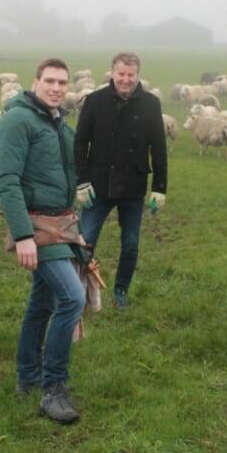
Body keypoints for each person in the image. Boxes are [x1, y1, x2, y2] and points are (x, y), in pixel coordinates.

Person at [0, 57, 87, 424]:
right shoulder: (18, 120)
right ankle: (53, 387)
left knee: (42, 301)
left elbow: (71, 166)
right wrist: (22, 236)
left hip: (60, 222)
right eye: (50, 81)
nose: (57, 88)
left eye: (62, 83)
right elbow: (6, 180)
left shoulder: (58, 122)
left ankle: (27, 375)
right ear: (35, 82)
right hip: (37, 226)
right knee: (72, 298)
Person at [73, 52, 168, 309]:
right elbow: (80, 143)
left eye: (131, 75)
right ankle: (79, 291)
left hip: (133, 187)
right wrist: (81, 181)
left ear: (138, 75)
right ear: (112, 73)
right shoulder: (94, 101)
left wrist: (160, 188)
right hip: (98, 186)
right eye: (121, 74)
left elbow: (159, 148)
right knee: (84, 241)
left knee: (130, 245)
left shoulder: (150, 104)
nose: (126, 80)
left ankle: (121, 290)